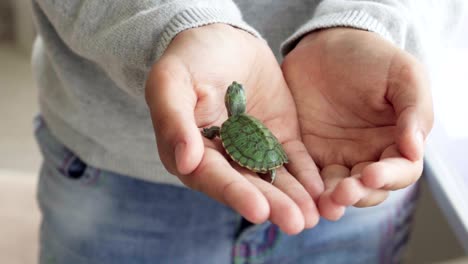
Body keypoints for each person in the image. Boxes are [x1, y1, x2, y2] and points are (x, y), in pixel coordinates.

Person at [31, 0, 462, 263]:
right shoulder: (227, 124)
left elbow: (225, 134)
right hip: (115, 173)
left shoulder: (224, 127)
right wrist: (182, 23)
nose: (235, 93)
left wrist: (376, 21)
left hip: (350, 164)